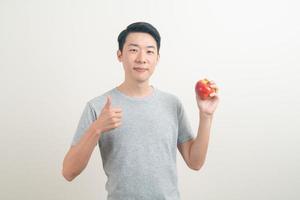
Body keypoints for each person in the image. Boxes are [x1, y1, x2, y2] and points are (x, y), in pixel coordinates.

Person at [62, 22, 219, 200]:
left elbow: (195, 162)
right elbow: (68, 172)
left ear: (157, 58)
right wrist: (96, 128)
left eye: (150, 51)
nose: (142, 58)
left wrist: (206, 116)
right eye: (133, 50)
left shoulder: (172, 104)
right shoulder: (98, 106)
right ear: (119, 55)